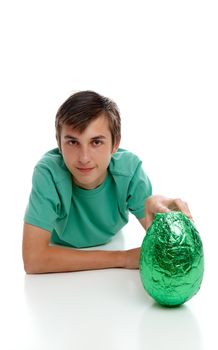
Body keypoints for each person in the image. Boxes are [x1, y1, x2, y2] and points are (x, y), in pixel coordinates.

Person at [22, 90, 192, 274]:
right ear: (59, 143)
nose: (84, 158)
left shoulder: (129, 171)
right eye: (72, 142)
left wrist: (170, 220)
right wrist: (123, 258)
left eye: (96, 142)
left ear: (115, 144)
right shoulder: (48, 173)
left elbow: (174, 251)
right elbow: (33, 260)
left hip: (111, 240)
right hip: (62, 247)